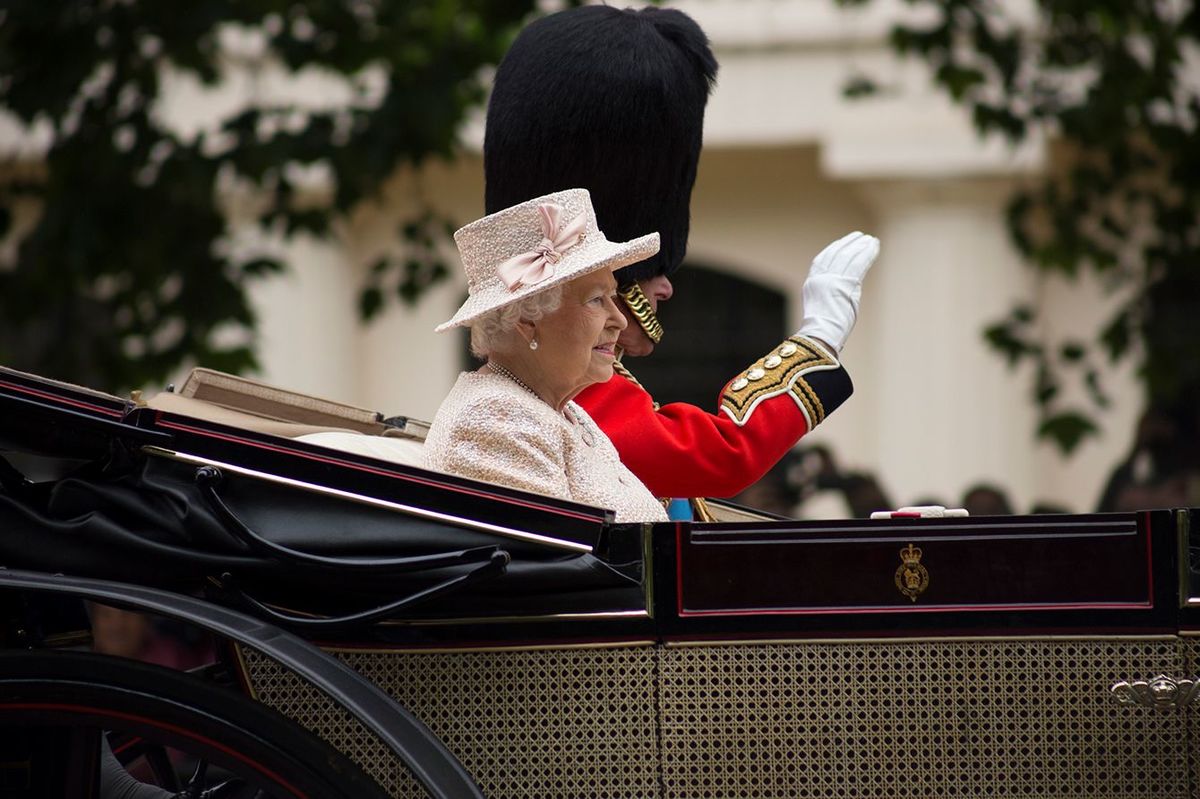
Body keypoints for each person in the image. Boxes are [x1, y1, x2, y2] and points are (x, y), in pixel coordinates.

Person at [484, 6, 879, 513]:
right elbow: (722, 452)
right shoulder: (570, 393)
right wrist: (816, 340)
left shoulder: (582, 384)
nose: (666, 287)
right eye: (640, 270)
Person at [424, 189, 668, 523]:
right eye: (597, 300)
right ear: (527, 320)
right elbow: (564, 569)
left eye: (613, 296)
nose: (620, 320)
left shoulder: (565, 412)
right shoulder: (498, 420)